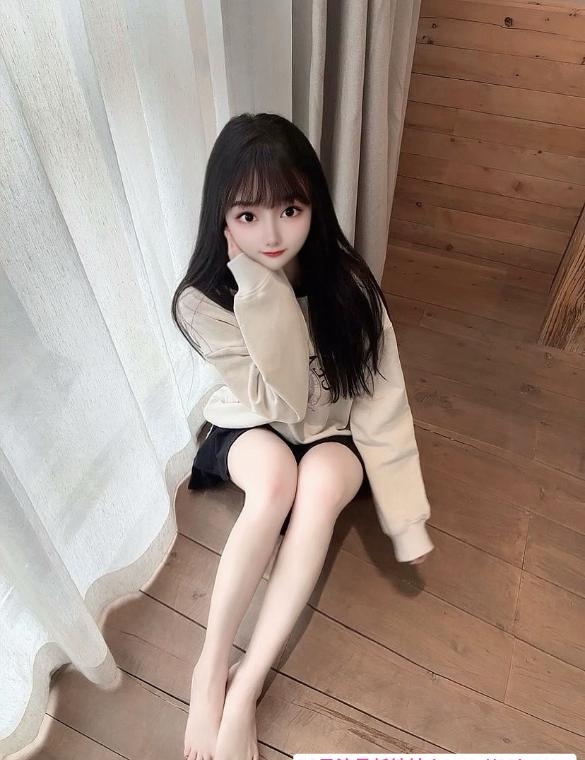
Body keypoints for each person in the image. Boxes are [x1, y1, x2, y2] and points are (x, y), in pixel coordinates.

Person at [171, 112, 434, 760]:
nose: (271, 234)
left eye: (289, 209)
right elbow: (277, 399)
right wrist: (259, 292)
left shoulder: (348, 286)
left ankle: (245, 688)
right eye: (247, 214)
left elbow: (383, 403)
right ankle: (209, 669)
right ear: (221, 216)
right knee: (274, 484)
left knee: (315, 488)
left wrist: (405, 520)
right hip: (256, 419)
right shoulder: (203, 300)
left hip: (333, 429)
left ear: (313, 204)